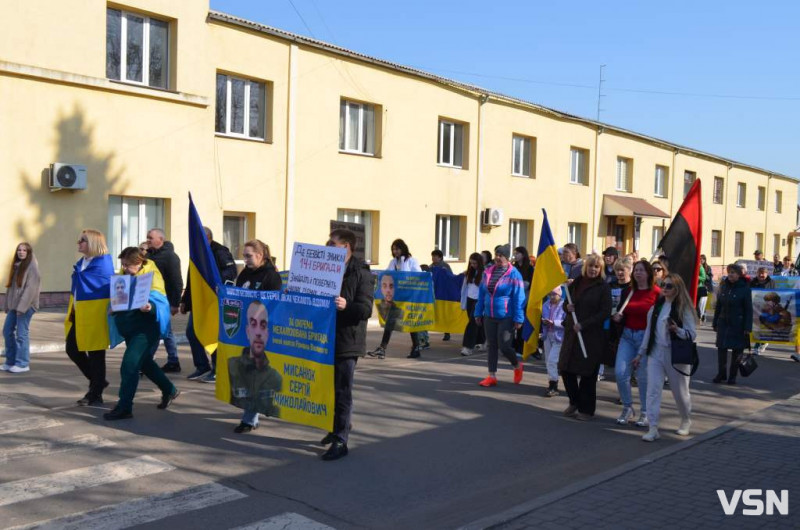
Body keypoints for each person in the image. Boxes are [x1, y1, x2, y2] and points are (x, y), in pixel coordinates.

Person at [104, 247, 180, 420]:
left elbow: (160, 302)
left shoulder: (152, 276)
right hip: (130, 328)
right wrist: (114, 308)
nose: (123, 268)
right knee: (145, 363)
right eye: (122, 264)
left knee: (129, 365)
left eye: (127, 265)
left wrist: (150, 307)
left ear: (138, 263)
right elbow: (121, 299)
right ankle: (170, 390)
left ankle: (124, 407)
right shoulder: (126, 275)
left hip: (145, 330)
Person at [319, 228, 373, 461]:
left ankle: (341, 439)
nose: (328, 247)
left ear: (346, 247)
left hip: (347, 339)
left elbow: (365, 309)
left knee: (342, 390)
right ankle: (336, 427)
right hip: (323, 337)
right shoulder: (323, 267)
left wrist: (346, 305)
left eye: (333, 243)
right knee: (328, 388)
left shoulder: (361, 273)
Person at [636, 273, 696, 441]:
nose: (664, 288)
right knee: (653, 391)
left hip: (676, 354)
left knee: (680, 392)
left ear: (677, 288)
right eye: (663, 285)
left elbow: (692, 334)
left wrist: (677, 330)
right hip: (656, 353)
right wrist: (640, 353)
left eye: (669, 286)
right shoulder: (657, 307)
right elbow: (649, 331)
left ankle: (685, 420)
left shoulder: (684, 308)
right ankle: (653, 427)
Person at [181, 226, 238, 382]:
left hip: (214, 300)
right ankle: (202, 366)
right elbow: (192, 279)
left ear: (207, 237)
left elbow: (231, 273)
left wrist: (213, 281)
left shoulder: (220, 251)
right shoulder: (197, 253)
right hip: (199, 301)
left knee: (213, 334)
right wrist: (185, 301)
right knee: (192, 333)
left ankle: (217, 369)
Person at [559, 254, 612, 420]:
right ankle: (574, 401)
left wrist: (584, 324)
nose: (593, 269)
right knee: (566, 369)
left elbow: (605, 312)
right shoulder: (577, 283)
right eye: (591, 266)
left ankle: (586, 410)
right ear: (585, 267)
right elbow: (565, 303)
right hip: (572, 334)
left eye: (597, 267)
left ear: (601, 269)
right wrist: (567, 307)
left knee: (587, 374)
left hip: (591, 337)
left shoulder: (603, 287)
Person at [65, 229, 115, 406]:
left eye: (83, 240)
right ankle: (98, 382)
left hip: (95, 313)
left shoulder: (103, 264)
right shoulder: (82, 262)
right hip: (79, 312)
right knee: (72, 348)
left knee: (95, 353)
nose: (79, 243)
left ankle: (95, 392)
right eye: (79, 240)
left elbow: (106, 289)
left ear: (93, 243)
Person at [613, 260, 660, 426]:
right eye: (636, 270)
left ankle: (646, 412)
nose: (638, 273)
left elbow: (660, 317)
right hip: (627, 336)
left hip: (645, 339)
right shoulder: (629, 291)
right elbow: (621, 311)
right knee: (620, 373)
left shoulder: (656, 293)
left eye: (641, 270)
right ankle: (627, 408)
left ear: (648, 273)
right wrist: (618, 318)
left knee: (642, 377)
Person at [475, 244, 526, 387]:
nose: (497, 257)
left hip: (506, 316)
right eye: (496, 254)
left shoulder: (514, 274)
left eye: (500, 255)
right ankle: (492, 376)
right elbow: (482, 294)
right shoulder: (488, 272)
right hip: (489, 315)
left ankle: (517, 365)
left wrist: (518, 318)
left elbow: (519, 298)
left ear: (507, 257)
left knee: (504, 346)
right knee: (491, 345)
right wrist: (478, 312)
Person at [229, 301, 282, 431]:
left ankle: (250, 419)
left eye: (263, 326)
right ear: (247, 331)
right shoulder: (231, 365)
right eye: (253, 324)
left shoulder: (276, 377)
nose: (258, 332)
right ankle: (250, 418)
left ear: (267, 333)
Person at [369, 239, 424, 359]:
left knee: (410, 323)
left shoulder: (411, 261)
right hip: (397, 297)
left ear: (403, 248)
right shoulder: (393, 262)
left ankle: (416, 347)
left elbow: (419, 276)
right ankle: (382, 348)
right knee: (390, 321)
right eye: (393, 249)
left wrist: (404, 265)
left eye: (397, 249)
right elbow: (387, 274)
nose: (395, 251)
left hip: (409, 297)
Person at [145, 228, 183, 373]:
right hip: (150, 299)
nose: (148, 240)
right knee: (163, 331)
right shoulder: (149, 255)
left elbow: (176, 281)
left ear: (160, 239)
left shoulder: (170, 257)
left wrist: (175, 303)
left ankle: (151, 360)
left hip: (164, 300)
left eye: (150, 238)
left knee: (163, 330)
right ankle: (172, 360)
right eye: (147, 238)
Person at [2, 243, 41, 373]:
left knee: (21, 334)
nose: (21, 252)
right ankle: (10, 361)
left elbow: (30, 290)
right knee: (7, 331)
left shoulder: (32, 268)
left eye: (24, 250)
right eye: (19, 250)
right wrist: (7, 305)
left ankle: (23, 364)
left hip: (27, 306)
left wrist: (21, 308)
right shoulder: (16, 266)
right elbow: (11, 288)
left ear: (29, 252)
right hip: (15, 306)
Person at [712, 263, 753, 385]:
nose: (730, 274)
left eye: (733, 272)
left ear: (739, 275)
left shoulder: (745, 289)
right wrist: (715, 322)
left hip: (738, 324)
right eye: (729, 272)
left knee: (737, 351)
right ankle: (721, 374)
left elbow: (748, 310)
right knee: (721, 349)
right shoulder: (724, 287)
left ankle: (732, 376)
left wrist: (747, 327)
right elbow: (719, 306)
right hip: (724, 322)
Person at [541, 286, 565, 397]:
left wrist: (554, 323)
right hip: (548, 336)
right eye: (549, 294)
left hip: (559, 337)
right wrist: (544, 322)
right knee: (548, 361)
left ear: (559, 294)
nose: (551, 297)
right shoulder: (545, 305)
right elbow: (543, 317)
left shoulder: (564, 306)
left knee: (552, 360)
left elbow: (566, 322)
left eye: (553, 294)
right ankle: (552, 382)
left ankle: (553, 385)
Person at [460, 252, 484, 356]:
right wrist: (463, 304)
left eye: (475, 263)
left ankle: (467, 347)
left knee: (472, 323)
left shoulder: (485, 273)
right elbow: (464, 289)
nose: (473, 265)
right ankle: (482, 341)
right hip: (469, 299)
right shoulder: (468, 273)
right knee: (477, 323)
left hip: (479, 300)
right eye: (471, 263)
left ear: (479, 262)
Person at [427, 249, 452, 342]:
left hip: (444, 293)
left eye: (435, 256)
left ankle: (447, 332)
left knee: (444, 313)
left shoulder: (445, 266)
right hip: (434, 293)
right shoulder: (430, 267)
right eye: (432, 256)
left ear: (440, 257)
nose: (433, 258)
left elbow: (450, 277)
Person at [749, 267, 775, 356]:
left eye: (763, 273)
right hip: (755, 307)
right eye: (759, 273)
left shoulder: (771, 282)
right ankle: (759, 344)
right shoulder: (752, 282)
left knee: (764, 326)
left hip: (767, 308)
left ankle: (758, 345)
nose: (761, 275)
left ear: (767, 274)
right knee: (757, 326)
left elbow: (774, 294)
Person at [512, 246, 533, 355]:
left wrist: (516, 285)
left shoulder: (529, 268)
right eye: (514, 253)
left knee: (521, 324)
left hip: (524, 299)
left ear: (523, 255)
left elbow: (528, 284)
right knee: (511, 323)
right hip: (512, 299)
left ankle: (520, 348)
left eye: (517, 253)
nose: (515, 255)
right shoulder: (513, 268)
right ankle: (511, 346)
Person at [697, 254, 713, 322]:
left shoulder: (707, 267)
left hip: (705, 287)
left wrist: (705, 275)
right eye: (700, 259)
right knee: (700, 303)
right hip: (700, 286)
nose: (701, 260)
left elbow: (709, 278)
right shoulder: (698, 266)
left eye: (702, 259)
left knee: (703, 303)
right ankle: (701, 315)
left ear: (705, 260)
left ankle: (703, 315)